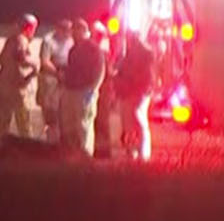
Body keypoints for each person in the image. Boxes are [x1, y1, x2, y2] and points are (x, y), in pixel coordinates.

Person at [60, 18, 107, 158]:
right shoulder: (73, 50)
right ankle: (72, 153)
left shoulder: (93, 49)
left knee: (83, 124)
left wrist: (92, 91)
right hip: (71, 90)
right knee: (69, 124)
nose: (72, 34)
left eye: (75, 31)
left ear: (82, 31)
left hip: (85, 91)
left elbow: (100, 71)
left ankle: (85, 155)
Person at [110, 29, 156, 162]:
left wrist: (125, 80)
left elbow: (145, 76)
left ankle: (142, 152)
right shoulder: (130, 54)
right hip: (129, 91)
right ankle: (133, 151)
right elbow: (122, 70)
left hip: (139, 91)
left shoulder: (146, 54)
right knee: (128, 122)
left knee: (138, 118)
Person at [0, 14, 39, 145]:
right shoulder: (22, 40)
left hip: (4, 86)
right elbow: (21, 58)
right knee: (24, 123)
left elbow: (1, 59)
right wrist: (34, 65)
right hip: (18, 88)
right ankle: (28, 151)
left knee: (3, 122)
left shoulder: (10, 40)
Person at [38, 20, 73, 142]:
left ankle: (63, 141)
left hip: (66, 78)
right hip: (51, 78)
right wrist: (57, 74)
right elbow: (45, 61)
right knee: (51, 113)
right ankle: (51, 141)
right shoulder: (49, 40)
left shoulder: (71, 40)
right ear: (58, 29)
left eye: (69, 31)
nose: (67, 34)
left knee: (64, 113)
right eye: (64, 30)